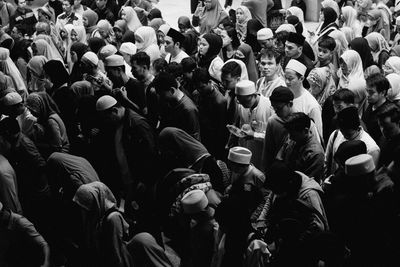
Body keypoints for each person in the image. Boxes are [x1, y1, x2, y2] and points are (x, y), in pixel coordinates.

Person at [265, 160, 329, 266]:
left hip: (304, 249)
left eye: (277, 190)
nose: (276, 193)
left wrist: (296, 242)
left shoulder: (308, 197)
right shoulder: (287, 179)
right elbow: (272, 201)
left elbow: (318, 228)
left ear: (287, 185)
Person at [95, 95, 157, 201]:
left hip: (140, 180)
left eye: (107, 117)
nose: (107, 121)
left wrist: (145, 180)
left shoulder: (137, 124)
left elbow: (150, 154)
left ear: (114, 110)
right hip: (129, 178)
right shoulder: (120, 122)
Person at [324, 106, 380, 178]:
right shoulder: (336, 134)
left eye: (348, 134)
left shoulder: (371, 148)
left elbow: (370, 177)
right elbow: (326, 161)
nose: (344, 136)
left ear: (358, 128)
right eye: (342, 132)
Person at [228, 79, 272, 170]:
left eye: (245, 102)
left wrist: (255, 135)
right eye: (240, 101)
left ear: (254, 95)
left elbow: (274, 138)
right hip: (245, 153)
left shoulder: (269, 107)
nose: (243, 105)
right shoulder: (241, 105)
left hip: (262, 155)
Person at [277, 112, 325, 182]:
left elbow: (308, 182)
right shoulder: (294, 140)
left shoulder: (315, 153)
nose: (290, 137)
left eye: (293, 135)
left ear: (305, 131)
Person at [0, 201, 50, 267]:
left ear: (2, 214)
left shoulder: (21, 222)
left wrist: (46, 263)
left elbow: (44, 244)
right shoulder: (3, 224)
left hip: (31, 259)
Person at [153, 71, 201, 140]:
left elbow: (195, 139)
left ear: (172, 90)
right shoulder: (168, 102)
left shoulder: (189, 109)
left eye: (162, 95)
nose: (160, 97)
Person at [192, 67, 227, 160]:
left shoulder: (219, 101)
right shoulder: (197, 93)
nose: (199, 90)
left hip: (214, 139)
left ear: (209, 82)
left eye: (202, 87)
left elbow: (220, 128)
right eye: (197, 88)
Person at [285, 59, 323, 141]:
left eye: (290, 79)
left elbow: (318, 135)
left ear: (301, 78)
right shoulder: (285, 95)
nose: (287, 82)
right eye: (286, 78)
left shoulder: (312, 105)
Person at [25, 92, 70, 158]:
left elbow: (57, 146)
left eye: (33, 110)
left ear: (41, 106)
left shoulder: (51, 121)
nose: (31, 113)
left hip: (60, 155)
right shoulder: (44, 117)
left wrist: (35, 144)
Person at [361, 73, 391, 144]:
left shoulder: (389, 112)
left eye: (371, 92)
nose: (367, 95)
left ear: (383, 92)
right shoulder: (371, 104)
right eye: (367, 91)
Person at [337, 50, 368, 116]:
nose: (342, 66)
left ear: (352, 63)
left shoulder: (358, 83)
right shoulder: (341, 75)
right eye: (341, 62)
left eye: (345, 63)